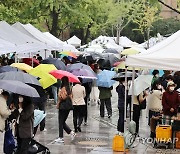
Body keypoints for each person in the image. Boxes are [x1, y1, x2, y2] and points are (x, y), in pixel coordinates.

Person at [55, 76, 76, 143]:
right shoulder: (69, 88)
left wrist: (59, 94)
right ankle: (71, 132)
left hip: (63, 107)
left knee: (60, 122)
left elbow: (62, 97)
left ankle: (61, 137)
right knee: (62, 122)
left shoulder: (63, 88)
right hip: (68, 107)